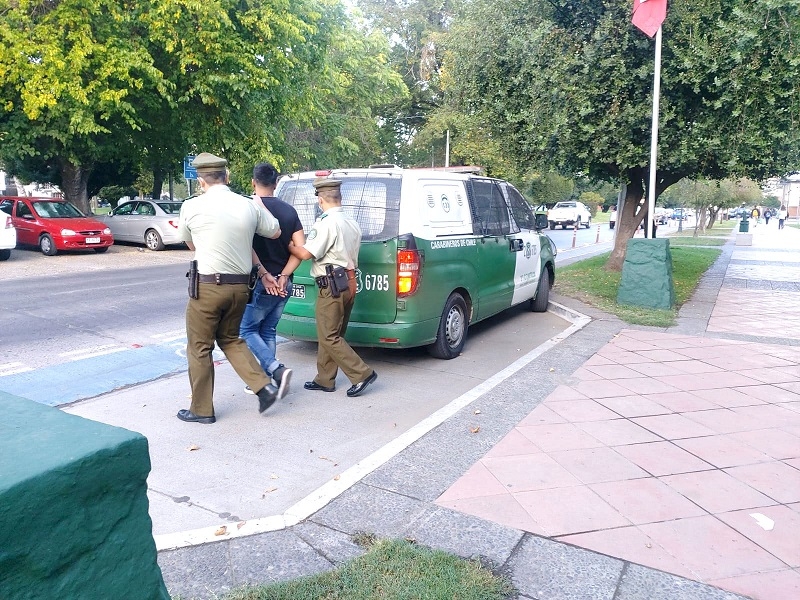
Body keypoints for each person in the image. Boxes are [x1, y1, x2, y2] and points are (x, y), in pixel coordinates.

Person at [176, 152, 283, 424]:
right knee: (231, 339)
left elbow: (190, 244)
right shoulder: (248, 204)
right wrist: (256, 205)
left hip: (208, 287)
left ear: (201, 181)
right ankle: (264, 387)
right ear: (228, 177)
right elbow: (275, 231)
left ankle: (201, 410)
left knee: (199, 347)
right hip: (240, 288)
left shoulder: (191, 206)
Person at [288, 177, 377, 397]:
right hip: (348, 282)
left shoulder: (326, 223)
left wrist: (287, 244)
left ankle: (362, 374)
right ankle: (325, 379)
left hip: (331, 285)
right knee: (334, 333)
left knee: (328, 335)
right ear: (340, 198)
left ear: (320, 200)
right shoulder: (351, 222)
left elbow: (306, 253)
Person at [239, 162, 305, 400]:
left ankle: (273, 371)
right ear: (276, 183)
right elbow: (300, 249)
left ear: (253, 182)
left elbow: (244, 247)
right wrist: (283, 276)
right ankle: (270, 378)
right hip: (284, 282)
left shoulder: (247, 210)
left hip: (259, 282)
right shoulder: (290, 212)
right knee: (268, 329)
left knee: (245, 329)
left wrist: (266, 274)